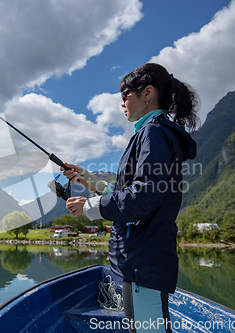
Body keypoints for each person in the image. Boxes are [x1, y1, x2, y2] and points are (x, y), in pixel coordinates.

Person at [61, 63, 198, 333]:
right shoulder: (152, 134)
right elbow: (132, 193)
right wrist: (86, 178)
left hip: (142, 262)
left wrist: (90, 207)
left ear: (147, 93)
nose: (121, 102)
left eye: (125, 94)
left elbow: (142, 198)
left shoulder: (153, 134)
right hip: (142, 260)